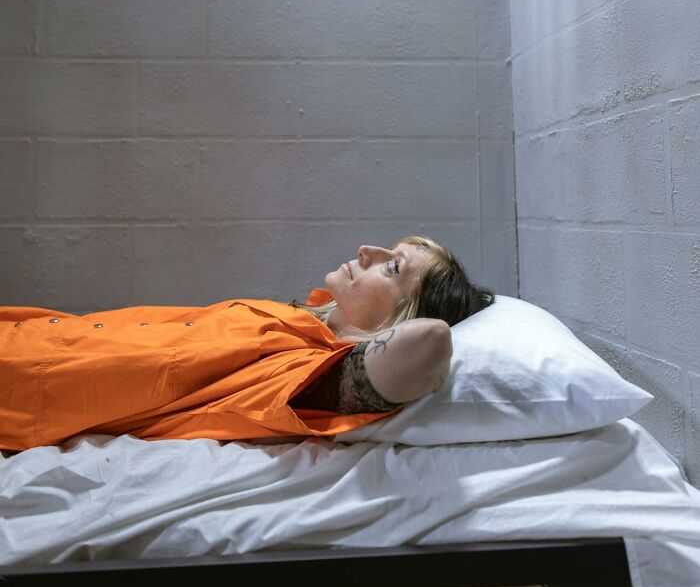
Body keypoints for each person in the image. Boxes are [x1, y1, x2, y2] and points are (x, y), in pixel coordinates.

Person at [0, 236, 494, 453]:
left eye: (393, 267)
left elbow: (428, 342)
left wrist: (428, 322)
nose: (368, 249)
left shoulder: (305, 374)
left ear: (402, 315)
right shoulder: (294, 319)